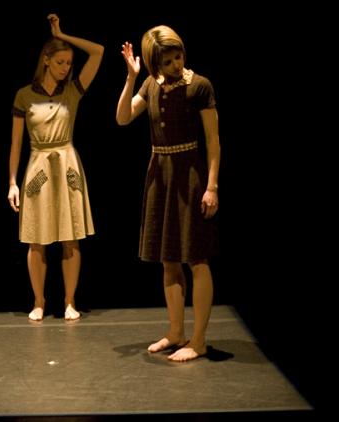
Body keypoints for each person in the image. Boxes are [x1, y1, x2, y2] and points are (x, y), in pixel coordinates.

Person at [116, 25, 220, 361]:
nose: (176, 64)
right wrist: (131, 78)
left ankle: (199, 340)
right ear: (154, 63)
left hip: (190, 173)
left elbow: (213, 142)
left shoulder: (199, 86)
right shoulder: (150, 84)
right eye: (168, 60)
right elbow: (122, 119)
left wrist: (211, 187)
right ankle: (176, 332)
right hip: (159, 175)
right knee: (168, 259)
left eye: (179, 56)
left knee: (197, 258)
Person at [8, 14, 104, 322]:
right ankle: (38, 301)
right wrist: (11, 182)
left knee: (70, 237)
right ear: (46, 60)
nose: (66, 68)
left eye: (69, 63)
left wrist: (64, 33)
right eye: (60, 62)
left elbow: (99, 51)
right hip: (38, 166)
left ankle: (69, 301)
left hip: (67, 165)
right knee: (37, 238)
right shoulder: (24, 95)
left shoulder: (72, 91)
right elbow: (15, 144)